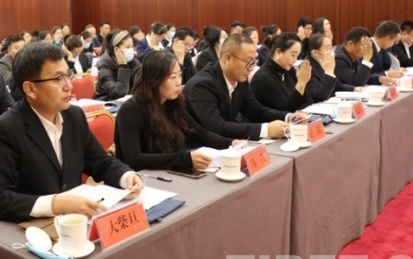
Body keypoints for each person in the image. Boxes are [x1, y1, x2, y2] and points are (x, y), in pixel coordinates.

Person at [0, 43, 143, 223]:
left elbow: (100, 161)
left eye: (68, 75)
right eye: (58, 79)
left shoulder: (74, 116)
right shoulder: (4, 130)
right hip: (31, 229)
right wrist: (55, 204)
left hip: (75, 223)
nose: (68, 86)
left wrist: (126, 177)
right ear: (30, 89)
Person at [115, 51, 246, 171]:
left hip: (169, 170)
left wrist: (229, 142)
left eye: (180, 75)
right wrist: (185, 159)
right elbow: (134, 159)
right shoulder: (130, 111)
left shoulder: (172, 102)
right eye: (173, 77)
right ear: (154, 80)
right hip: (141, 178)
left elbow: (198, 133)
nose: (179, 82)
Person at [183, 34, 300, 140]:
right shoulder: (202, 85)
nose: (251, 68)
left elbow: (256, 111)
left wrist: (289, 117)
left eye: (254, 62)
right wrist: (265, 130)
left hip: (227, 144)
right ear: (228, 58)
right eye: (248, 62)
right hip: (199, 147)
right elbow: (217, 126)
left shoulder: (239, 79)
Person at [251, 33, 314, 111]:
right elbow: (284, 109)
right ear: (278, 52)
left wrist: (302, 83)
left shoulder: (290, 70)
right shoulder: (264, 77)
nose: (295, 60)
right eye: (293, 55)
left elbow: (308, 100)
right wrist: (301, 83)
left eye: (297, 56)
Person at [305, 33, 359, 100]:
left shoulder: (322, 63)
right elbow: (320, 95)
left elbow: (338, 85)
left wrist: (354, 89)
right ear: (316, 53)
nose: (332, 52)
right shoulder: (307, 67)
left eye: (332, 48)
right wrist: (329, 72)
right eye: (328, 48)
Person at [94, 30, 142, 101]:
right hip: (107, 102)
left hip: (128, 101)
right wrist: (123, 66)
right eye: (128, 47)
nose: (131, 50)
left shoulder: (133, 62)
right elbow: (118, 92)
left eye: (132, 47)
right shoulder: (105, 65)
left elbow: (142, 85)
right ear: (116, 49)